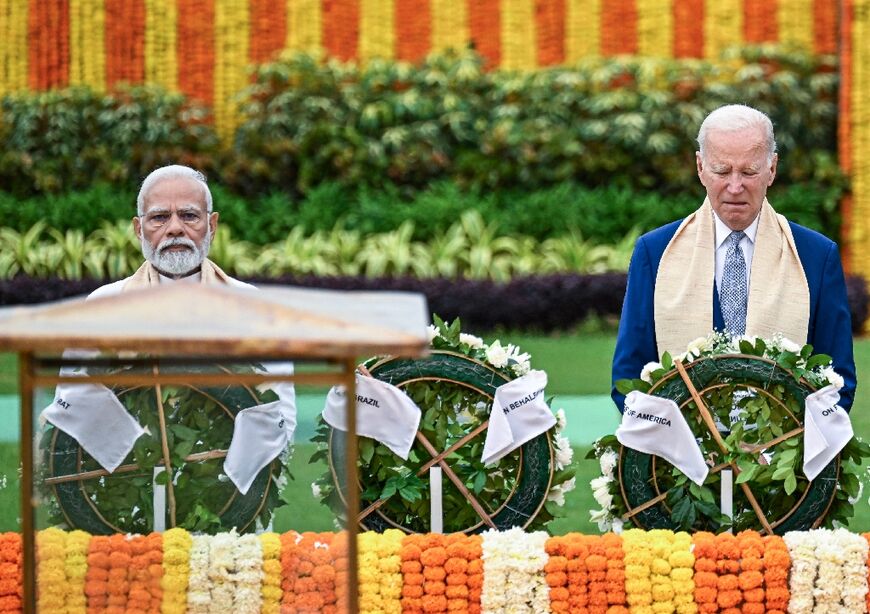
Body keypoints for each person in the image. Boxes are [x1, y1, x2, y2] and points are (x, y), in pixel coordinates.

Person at [44, 164, 296, 496]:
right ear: (138, 229)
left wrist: (219, 477)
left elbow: (280, 414)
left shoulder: (253, 308)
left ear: (212, 225)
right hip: (124, 494)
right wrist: (143, 458)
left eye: (189, 216)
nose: (175, 228)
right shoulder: (102, 306)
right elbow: (71, 402)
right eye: (159, 217)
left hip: (227, 499)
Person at [611, 104, 856, 412]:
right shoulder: (655, 252)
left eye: (749, 171)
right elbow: (629, 378)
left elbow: (838, 382)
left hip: (785, 455)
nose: (735, 186)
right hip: (680, 454)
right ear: (700, 167)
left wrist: (785, 449)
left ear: (772, 169)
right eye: (722, 171)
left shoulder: (816, 257)